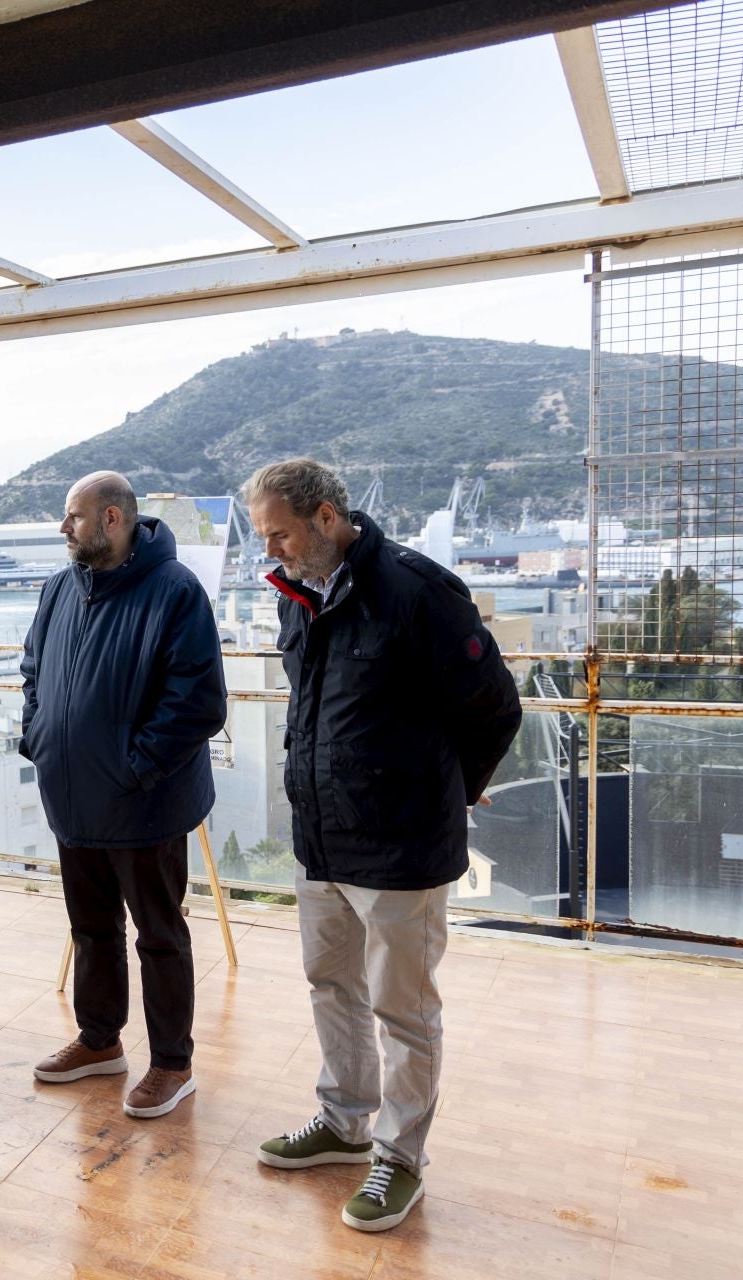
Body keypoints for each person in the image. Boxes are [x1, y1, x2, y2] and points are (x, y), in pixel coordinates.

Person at [243, 458, 520, 1233]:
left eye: (282, 533)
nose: (272, 551)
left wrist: (451, 788)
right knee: (332, 986)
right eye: (266, 537)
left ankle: (399, 1159)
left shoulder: (417, 591)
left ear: (328, 517)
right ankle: (343, 1124)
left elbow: (496, 709)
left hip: (401, 844)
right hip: (322, 840)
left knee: (404, 1009)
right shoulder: (297, 594)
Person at [19, 471, 228, 1120]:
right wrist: (40, 742)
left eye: (74, 516)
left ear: (113, 519)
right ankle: (100, 1040)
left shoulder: (175, 591)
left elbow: (199, 701)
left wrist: (134, 768)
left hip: (146, 804)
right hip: (73, 798)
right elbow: (33, 671)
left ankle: (172, 1064)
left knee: (159, 934)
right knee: (91, 929)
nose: (63, 528)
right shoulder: (58, 590)